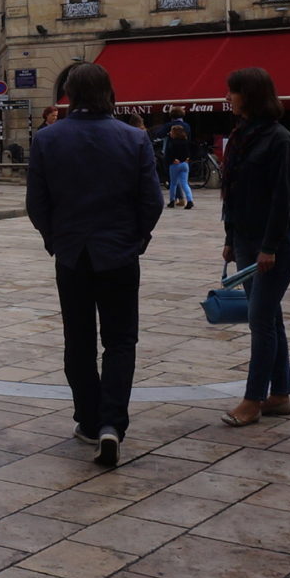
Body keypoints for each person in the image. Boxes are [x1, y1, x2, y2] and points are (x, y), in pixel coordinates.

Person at [27, 62, 163, 466]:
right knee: (121, 340)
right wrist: (136, 239)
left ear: (70, 93)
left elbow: (37, 204)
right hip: (119, 253)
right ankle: (111, 424)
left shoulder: (47, 139)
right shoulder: (134, 139)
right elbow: (152, 201)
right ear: (109, 92)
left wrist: (56, 240)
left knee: (79, 340)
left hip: (72, 255)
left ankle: (88, 420)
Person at [220, 66, 290, 428]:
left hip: (273, 245)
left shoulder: (279, 140)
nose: (227, 97)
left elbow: (284, 200)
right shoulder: (241, 136)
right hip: (245, 239)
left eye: (233, 92)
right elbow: (233, 194)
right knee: (271, 317)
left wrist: (268, 247)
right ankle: (280, 395)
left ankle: (253, 400)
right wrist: (229, 240)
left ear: (250, 96)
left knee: (260, 320)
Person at [166, 123, 195, 211]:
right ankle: (190, 200)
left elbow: (168, 153)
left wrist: (172, 160)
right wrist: (188, 158)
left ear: (174, 133)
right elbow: (193, 150)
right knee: (185, 183)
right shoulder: (186, 142)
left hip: (175, 164)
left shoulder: (172, 142)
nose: (170, 133)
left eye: (171, 131)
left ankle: (172, 201)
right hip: (185, 164)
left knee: (173, 184)